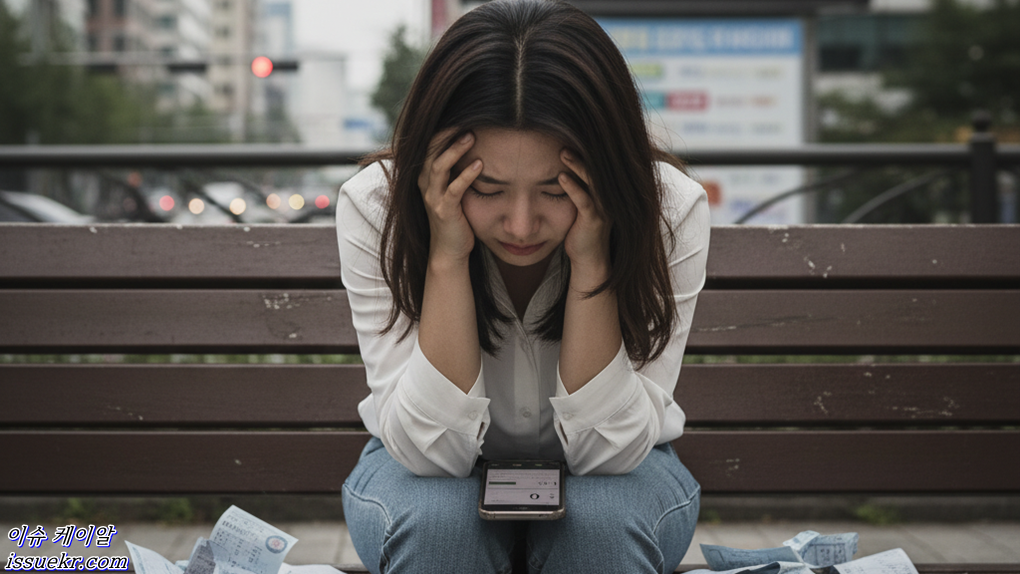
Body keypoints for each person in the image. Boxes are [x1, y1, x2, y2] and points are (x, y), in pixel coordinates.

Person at [336, 0, 710, 572]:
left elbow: (609, 453)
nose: (520, 225)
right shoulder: (377, 207)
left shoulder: (666, 210)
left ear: (606, 169)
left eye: (557, 191)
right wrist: (446, 258)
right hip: (414, 467)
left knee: (602, 527)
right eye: (486, 189)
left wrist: (592, 262)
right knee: (437, 528)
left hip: (630, 469)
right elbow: (430, 453)